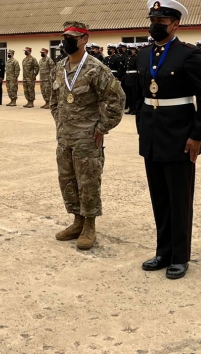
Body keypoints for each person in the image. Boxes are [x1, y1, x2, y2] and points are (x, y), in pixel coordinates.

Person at [136, 0, 201, 280]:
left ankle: (180, 256)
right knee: (159, 197)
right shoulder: (143, 54)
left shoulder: (189, 55)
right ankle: (163, 252)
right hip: (152, 135)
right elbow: (142, 97)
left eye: (161, 21)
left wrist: (197, 136)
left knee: (179, 199)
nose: (155, 25)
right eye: (153, 21)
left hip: (180, 136)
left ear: (175, 24)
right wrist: (142, 130)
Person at [51, 21, 125, 250]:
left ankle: (90, 225)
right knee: (68, 180)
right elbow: (54, 100)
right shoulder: (60, 67)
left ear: (84, 39)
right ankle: (77, 221)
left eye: (72, 37)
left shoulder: (96, 68)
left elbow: (116, 100)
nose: (66, 41)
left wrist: (102, 128)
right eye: (64, 37)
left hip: (87, 139)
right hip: (65, 137)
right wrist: (60, 122)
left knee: (88, 181)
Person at [123, 44, 140, 115]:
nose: (131, 51)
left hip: (134, 77)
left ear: (135, 51)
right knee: (128, 94)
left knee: (134, 94)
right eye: (130, 49)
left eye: (132, 50)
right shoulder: (127, 58)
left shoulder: (136, 58)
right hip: (128, 77)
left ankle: (135, 109)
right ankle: (130, 108)